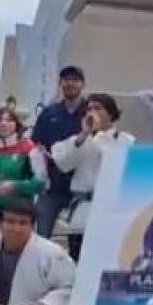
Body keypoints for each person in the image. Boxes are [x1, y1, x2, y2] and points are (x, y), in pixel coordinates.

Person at [52, 93, 133, 261]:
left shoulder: (126, 140)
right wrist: (84, 135)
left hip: (109, 208)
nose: (92, 112)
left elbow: (121, 166)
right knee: (78, 256)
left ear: (111, 113)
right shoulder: (80, 139)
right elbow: (63, 163)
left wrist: (101, 138)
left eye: (98, 108)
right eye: (89, 109)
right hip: (83, 207)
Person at [32, 66, 88, 239]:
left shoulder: (91, 112)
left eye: (75, 80)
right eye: (66, 80)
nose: (70, 83)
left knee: (78, 239)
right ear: (60, 84)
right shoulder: (49, 113)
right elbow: (37, 143)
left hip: (82, 186)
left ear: (83, 84)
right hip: (53, 185)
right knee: (41, 233)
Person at [0, 108, 46, 208]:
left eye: (9, 120)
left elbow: (41, 182)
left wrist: (15, 186)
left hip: (19, 210)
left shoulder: (30, 149)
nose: (3, 124)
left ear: (16, 124)